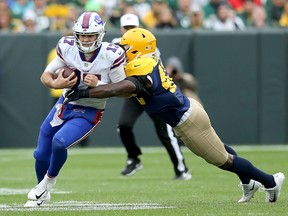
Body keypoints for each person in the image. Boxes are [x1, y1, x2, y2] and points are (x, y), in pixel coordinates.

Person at [64, 28, 285, 203]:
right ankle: (248, 183)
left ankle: (270, 181)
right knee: (219, 147)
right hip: (187, 112)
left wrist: (84, 92)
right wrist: (100, 83)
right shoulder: (143, 61)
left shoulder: (142, 68)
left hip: (187, 120)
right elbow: (124, 90)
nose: (121, 48)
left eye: (126, 46)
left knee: (222, 160)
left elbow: (117, 89)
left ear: (137, 49)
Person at [24, 11, 126, 207]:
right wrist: (56, 83)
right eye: (83, 35)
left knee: (60, 142)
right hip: (65, 103)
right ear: (76, 34)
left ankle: (47, 184)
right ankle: (42, 195)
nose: (86, 40)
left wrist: (100, 83)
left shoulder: (111, 54)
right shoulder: (67, 46)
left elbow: (123, 90)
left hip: (89, 110)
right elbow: (45, 75)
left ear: (100, 35)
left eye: (90, 35)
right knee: (40, 153)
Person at [113, 13, 192, 180]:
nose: (129, 30)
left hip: (151, 94)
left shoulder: (148, 46)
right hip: (134, 93)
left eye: (132, 27)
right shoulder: (115, 45)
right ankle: (133, 158)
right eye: (126, 28)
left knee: (165, 132)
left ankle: (181, 168)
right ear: (121, 29)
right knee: (124, 125)